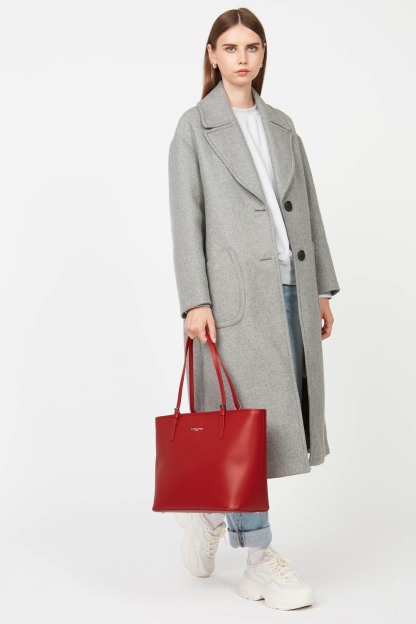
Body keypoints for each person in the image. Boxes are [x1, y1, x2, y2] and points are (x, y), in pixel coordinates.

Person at [167, 8, 340, 612]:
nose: (243, 58)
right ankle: (259, 560)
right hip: (233, 301)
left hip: (291, 291)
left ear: (263, 55)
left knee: (270, 429)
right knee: (243, 425)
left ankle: (210, 510)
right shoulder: (195, 128)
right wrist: (195, 299)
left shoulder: (283, 125)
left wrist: (321, 288)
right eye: (231, 47)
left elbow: (307, 207)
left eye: (254, 47)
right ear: (212, 54)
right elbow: (186, 220)